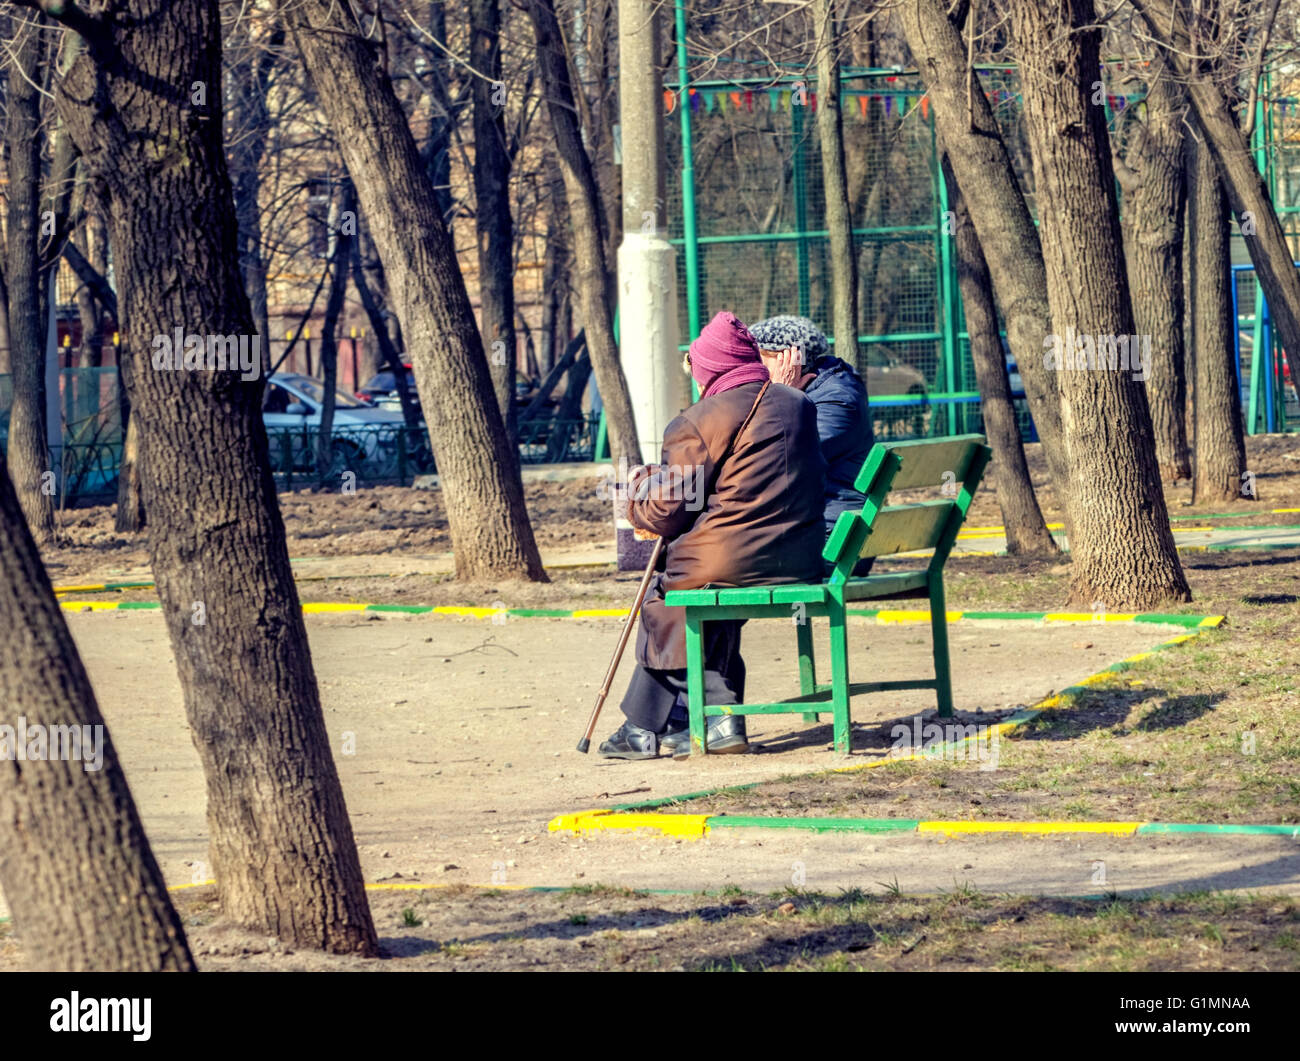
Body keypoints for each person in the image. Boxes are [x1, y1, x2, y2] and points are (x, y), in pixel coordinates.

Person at [598, 311, 827, 760]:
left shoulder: (701, 419)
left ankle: (712, 718)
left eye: (698, 373)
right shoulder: (797, 404)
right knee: (709, 609)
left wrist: (635, 497)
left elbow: (667, 511)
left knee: (667, 600)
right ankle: (653, 727)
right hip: (798, 557)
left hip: (730, 561)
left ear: (711, 370)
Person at [748, 315, 874, 575]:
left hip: (833, 542)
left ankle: (692, 615)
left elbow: (776, 458)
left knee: (726, 565)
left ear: (791, 359)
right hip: (822, 532)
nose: (754, 371)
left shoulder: (837, 402)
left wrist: (780, 395)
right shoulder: (823, 393)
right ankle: (691, 614)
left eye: (760, 360)